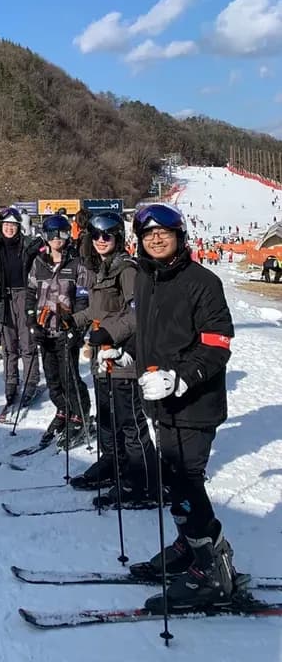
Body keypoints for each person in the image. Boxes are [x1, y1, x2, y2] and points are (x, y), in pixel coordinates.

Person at [128, 203, 238, 612]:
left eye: (165, 231)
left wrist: (180, 377)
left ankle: (211, 570)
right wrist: (130, 358)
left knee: (188, 482)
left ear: (179, 236)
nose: (156, 238)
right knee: (174, 480)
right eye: (148, 233)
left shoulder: (202, 281)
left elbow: (217, 344)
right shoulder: (146, 278)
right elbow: (150, 336)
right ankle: (189, 546)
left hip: (195, 404)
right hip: (159, 401)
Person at [69, 211, 158, 507]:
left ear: (118, 237)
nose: (100, 241)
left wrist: (108, 332)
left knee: (130, 422)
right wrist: (72, 320)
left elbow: (137, 312)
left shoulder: (127, 270)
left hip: (123, 358)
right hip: (100, 357)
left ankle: (142, 480)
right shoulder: (103, 269)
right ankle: (112, 464)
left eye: (107, 235)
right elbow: (99, 312)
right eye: (95, 235)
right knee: (106, 418)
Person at [29, 213, 93, 448]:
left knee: (70, 376)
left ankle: (80, 413)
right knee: (53, 377)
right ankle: (63, 410)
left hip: (66, 329)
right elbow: (29, 292)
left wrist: (76, 327)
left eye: (63, 234)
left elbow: (84, 299)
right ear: (45, 237)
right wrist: (31, 321)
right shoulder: (39, 262)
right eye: (53, 234)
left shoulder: (77, 264)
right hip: (45, 330)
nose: (58, 239)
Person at [0, 207, 45, 421]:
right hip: (3, 297)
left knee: (27, 340)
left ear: (19, 227)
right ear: (1, 227)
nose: (9, 229)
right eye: (6, 225)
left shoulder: (27, 245)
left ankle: (30, 382)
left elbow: (42, 256)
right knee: (8, 343)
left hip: (24, 294)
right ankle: (11, 382)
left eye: (13, 226)